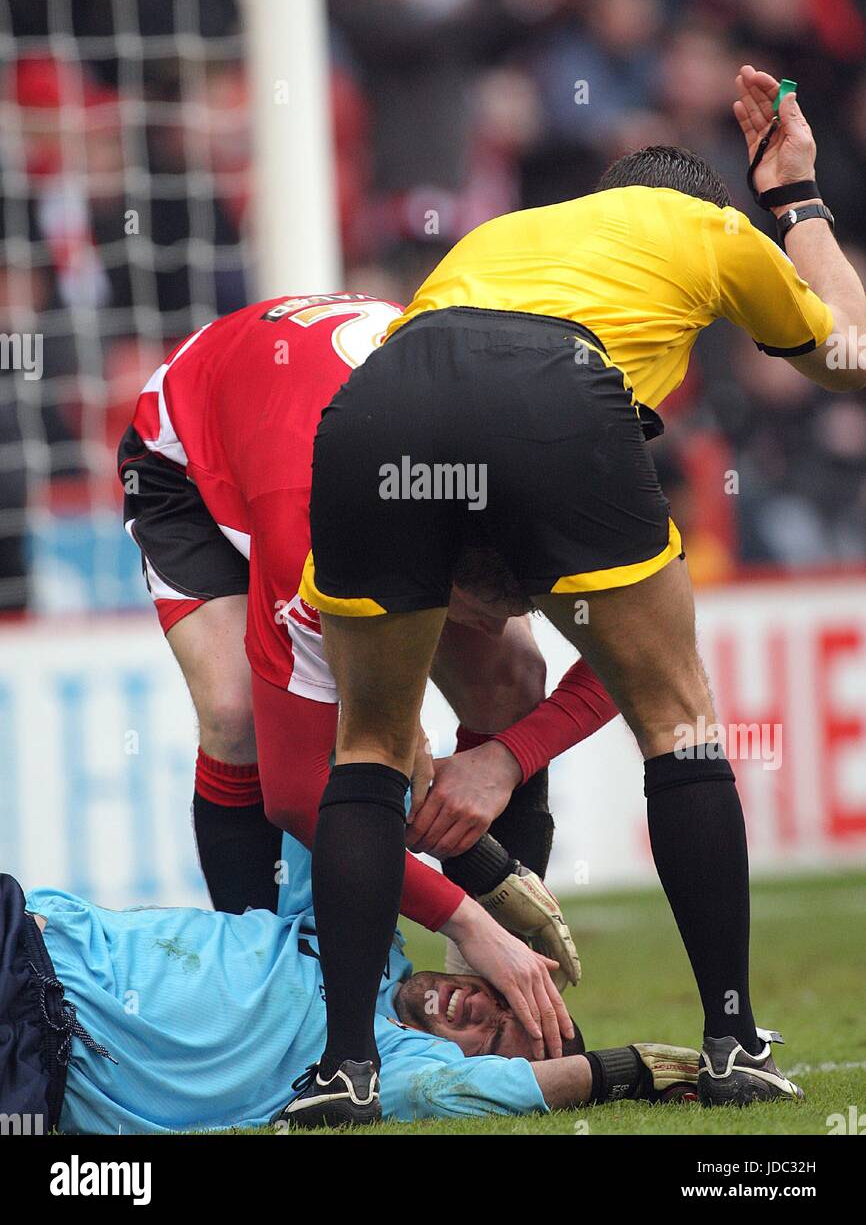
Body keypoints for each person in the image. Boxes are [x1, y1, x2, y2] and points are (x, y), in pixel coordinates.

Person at [296, 65, 865, 1120]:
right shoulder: (701, 226)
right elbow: (848, 353)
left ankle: (346, 1069)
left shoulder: (498, 236)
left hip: (374, 404)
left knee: (365, 751)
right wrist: (793, 200)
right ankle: (731, 1042)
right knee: (679, 721)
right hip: (548, 390)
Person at [119, 290, 618, 1046]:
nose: (481, 628)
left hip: (354, 430)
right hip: (193, 452)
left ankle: (495, 993)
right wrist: (468, 915)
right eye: (472, 609)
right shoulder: (313, 540)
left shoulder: (553, 472)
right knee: (235, 718)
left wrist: (507, 761)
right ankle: (267, 999)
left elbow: (650, 660)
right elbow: (297, 796)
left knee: (513, 671)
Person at [0, 847, 711, 1134]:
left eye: (490, 1041)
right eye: (504, 999)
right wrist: (483, 861)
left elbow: (495, 1092)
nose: (477, 1009)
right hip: (26, 931)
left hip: (40, 1056)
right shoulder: (354, 925)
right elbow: (349, 785)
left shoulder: (384, 1068)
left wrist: (636, 1069)